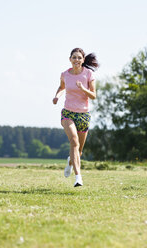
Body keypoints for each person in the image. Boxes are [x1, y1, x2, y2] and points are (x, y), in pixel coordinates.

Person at [52, 48, 99, 187]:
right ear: (70, 59)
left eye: (79, 58)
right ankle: (78, 177)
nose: (76, 60)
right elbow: (61, 88)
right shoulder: (65, 74)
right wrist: (56, 96)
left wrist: (83, 89)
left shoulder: (89, 74)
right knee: (74, 141)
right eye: (74, 57)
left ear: (83, 60)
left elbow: (93, 96)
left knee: (79, 151)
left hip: (84, 115)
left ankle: (70, 162)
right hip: (68, 113)